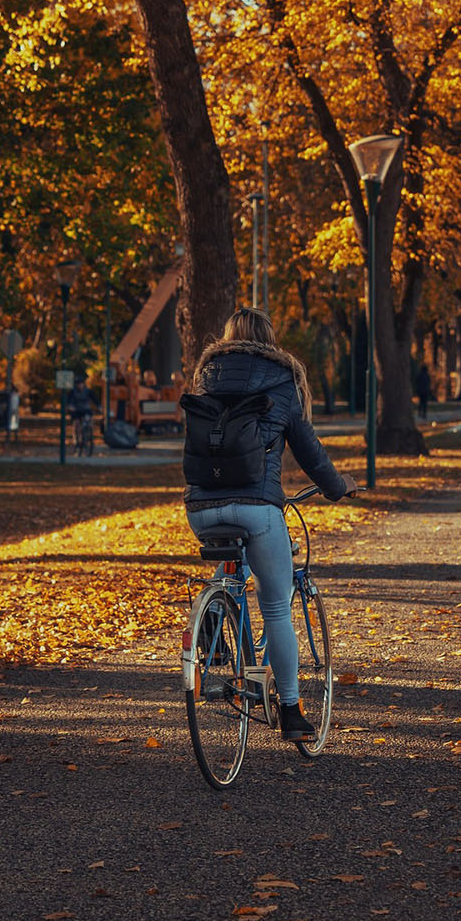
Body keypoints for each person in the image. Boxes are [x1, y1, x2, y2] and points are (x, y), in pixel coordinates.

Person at [184, 308, 357, 743]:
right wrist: (338, 488)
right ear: (270, 340)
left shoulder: (205, 376)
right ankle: (293, 711)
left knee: (231, 556)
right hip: (258, 508)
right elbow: (310, 453)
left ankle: (216, 606)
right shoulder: (283, 380)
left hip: (200, 508)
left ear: (227, 338)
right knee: (277, 605)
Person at [66, 376, 97, 455]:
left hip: (86, 410)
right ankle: (76, 439)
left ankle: (88, 434)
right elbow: (69, 401)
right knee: (76, 423)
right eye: (78, 384)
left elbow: (95, 399)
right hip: (76, 410)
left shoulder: (88, 391)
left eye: (81, 384)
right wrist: (70, 406)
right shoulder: (73, 392)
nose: (80, 385)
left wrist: (99, 407)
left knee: (89, 420)